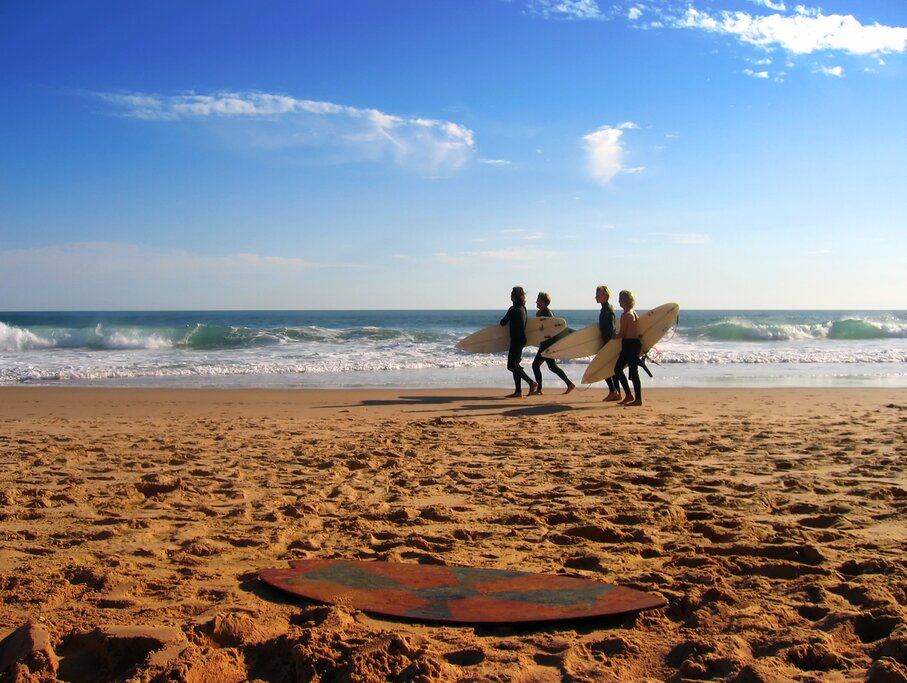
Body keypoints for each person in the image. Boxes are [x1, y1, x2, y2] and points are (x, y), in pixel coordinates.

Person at [531, 292, 576, 395]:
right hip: (546, 344)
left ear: (543, 301)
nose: (536, 302)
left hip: (547, 345)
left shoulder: (547, 313)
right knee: (552, 367)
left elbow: (553, 328)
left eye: (538, 300)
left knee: (535, 365)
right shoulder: (542, 312)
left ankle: (539, 389)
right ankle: (569, 384)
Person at [500, 286, 537, 398]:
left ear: (515, 296)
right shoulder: (523, 308)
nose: (510, 296)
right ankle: (518, 392)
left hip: (516, 340)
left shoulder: (513, 309)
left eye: (512, 293)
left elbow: (502, 322)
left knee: (511, 366)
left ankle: (531, 383)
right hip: (522, 339)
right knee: (515, 365)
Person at [613, 289, 643, 406]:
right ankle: (632, 396)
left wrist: (613, 336)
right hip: (634, 344)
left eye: (620, 299)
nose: (619, 301)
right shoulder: (634, 312)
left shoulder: (626, 315)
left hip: (628, 345)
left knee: (619, 370)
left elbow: (622, 334)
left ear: (623, 301)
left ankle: (635, 398)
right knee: (630, 372)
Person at [596, 285, 621, 402]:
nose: (596, 296)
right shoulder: (604, 308)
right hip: (607, 342)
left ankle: (613, 391)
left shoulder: (608, 309)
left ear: (605, 296)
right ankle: (617, 393)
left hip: (608, 343)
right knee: (611, 369)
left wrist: (605, 341)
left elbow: (611, 329)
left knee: (603, 368)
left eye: (598, 294)